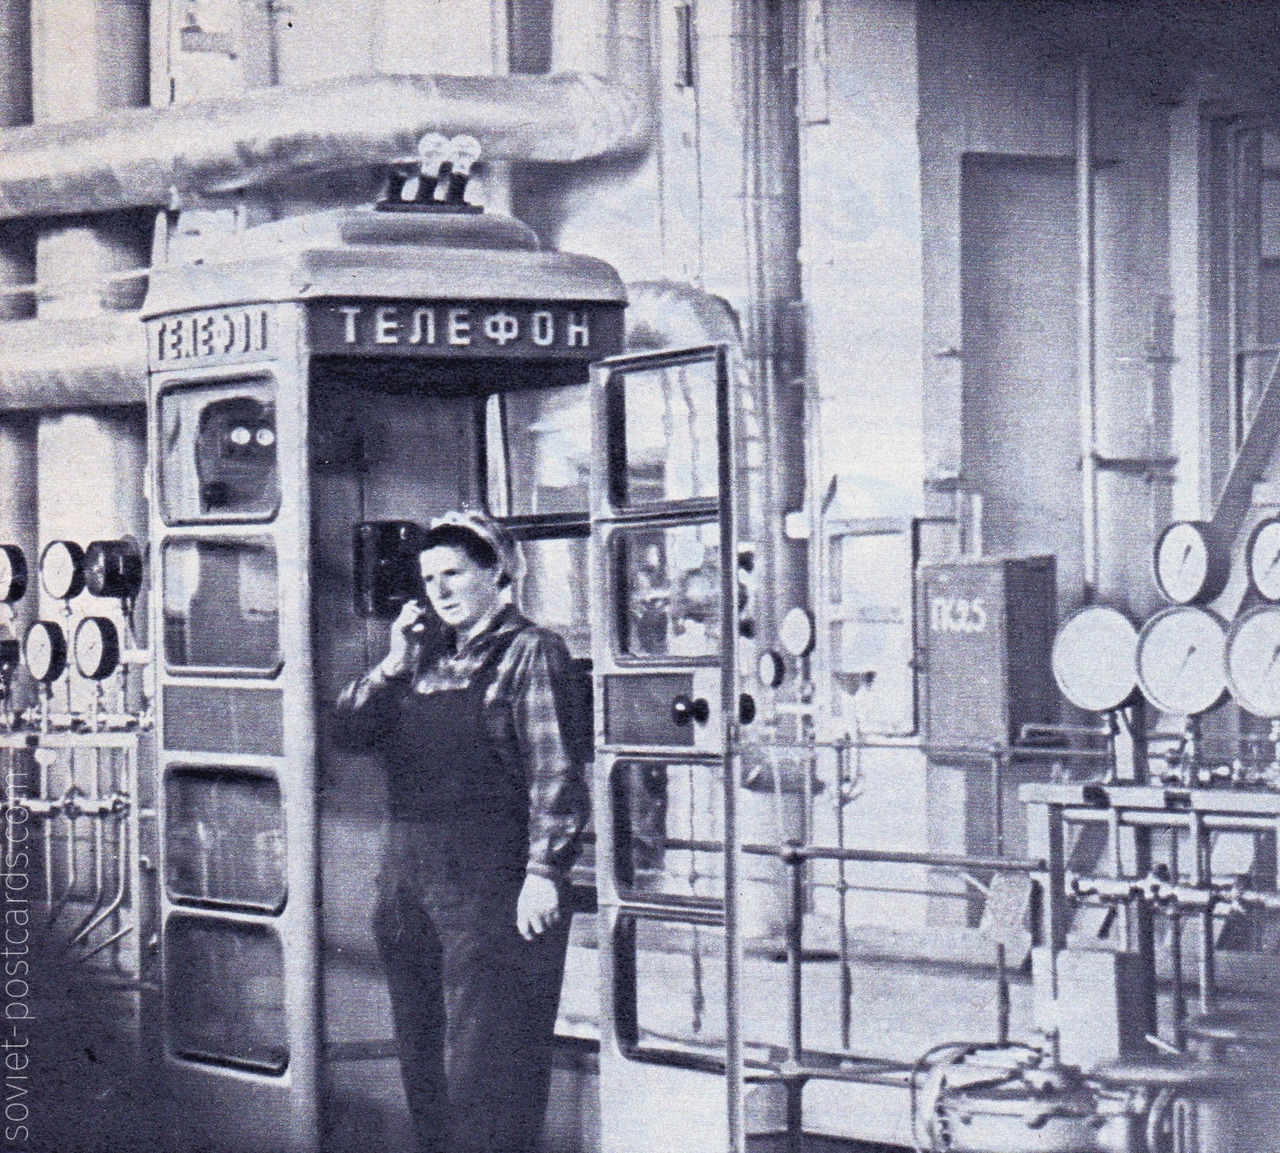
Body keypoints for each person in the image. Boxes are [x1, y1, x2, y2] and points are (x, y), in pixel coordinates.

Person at [332, 510, 589, 1153]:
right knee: (424, 1065)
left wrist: (543, 874)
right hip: (409, 886)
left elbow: (555, 771)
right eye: (429, 577)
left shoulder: (532, 651)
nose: (440, 590)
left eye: (454, 574)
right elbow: (348, 731)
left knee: (489, 1071)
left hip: (491, 889)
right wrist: (392, 664)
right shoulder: (421, 659)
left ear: (499, 573)